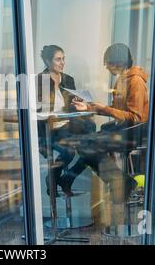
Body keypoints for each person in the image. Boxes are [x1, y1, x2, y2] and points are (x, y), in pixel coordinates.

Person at [63, 43, 150, 202]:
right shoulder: (122, 80)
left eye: (107, 63)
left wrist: (103, 109)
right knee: (84, 143)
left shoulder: (135, 81)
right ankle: (120, 181)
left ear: (119, 62)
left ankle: (120, 182)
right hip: (123, 129)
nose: (106, 67)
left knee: (86, 145)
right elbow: (117, 109)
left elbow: (135, 117)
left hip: (133, 132)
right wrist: (90, 107)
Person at [36, 45, 95, 197]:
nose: (62, 62)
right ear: (48, 61)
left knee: (92, 150)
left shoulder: (68, 80)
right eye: (58, 59)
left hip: (68, 127)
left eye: (63, 59)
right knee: (69, 151)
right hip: (49, 130)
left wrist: (80, 105)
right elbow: (36, 112)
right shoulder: (39, 81)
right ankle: (54, 178)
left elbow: (72, 105)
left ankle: (63, 179)